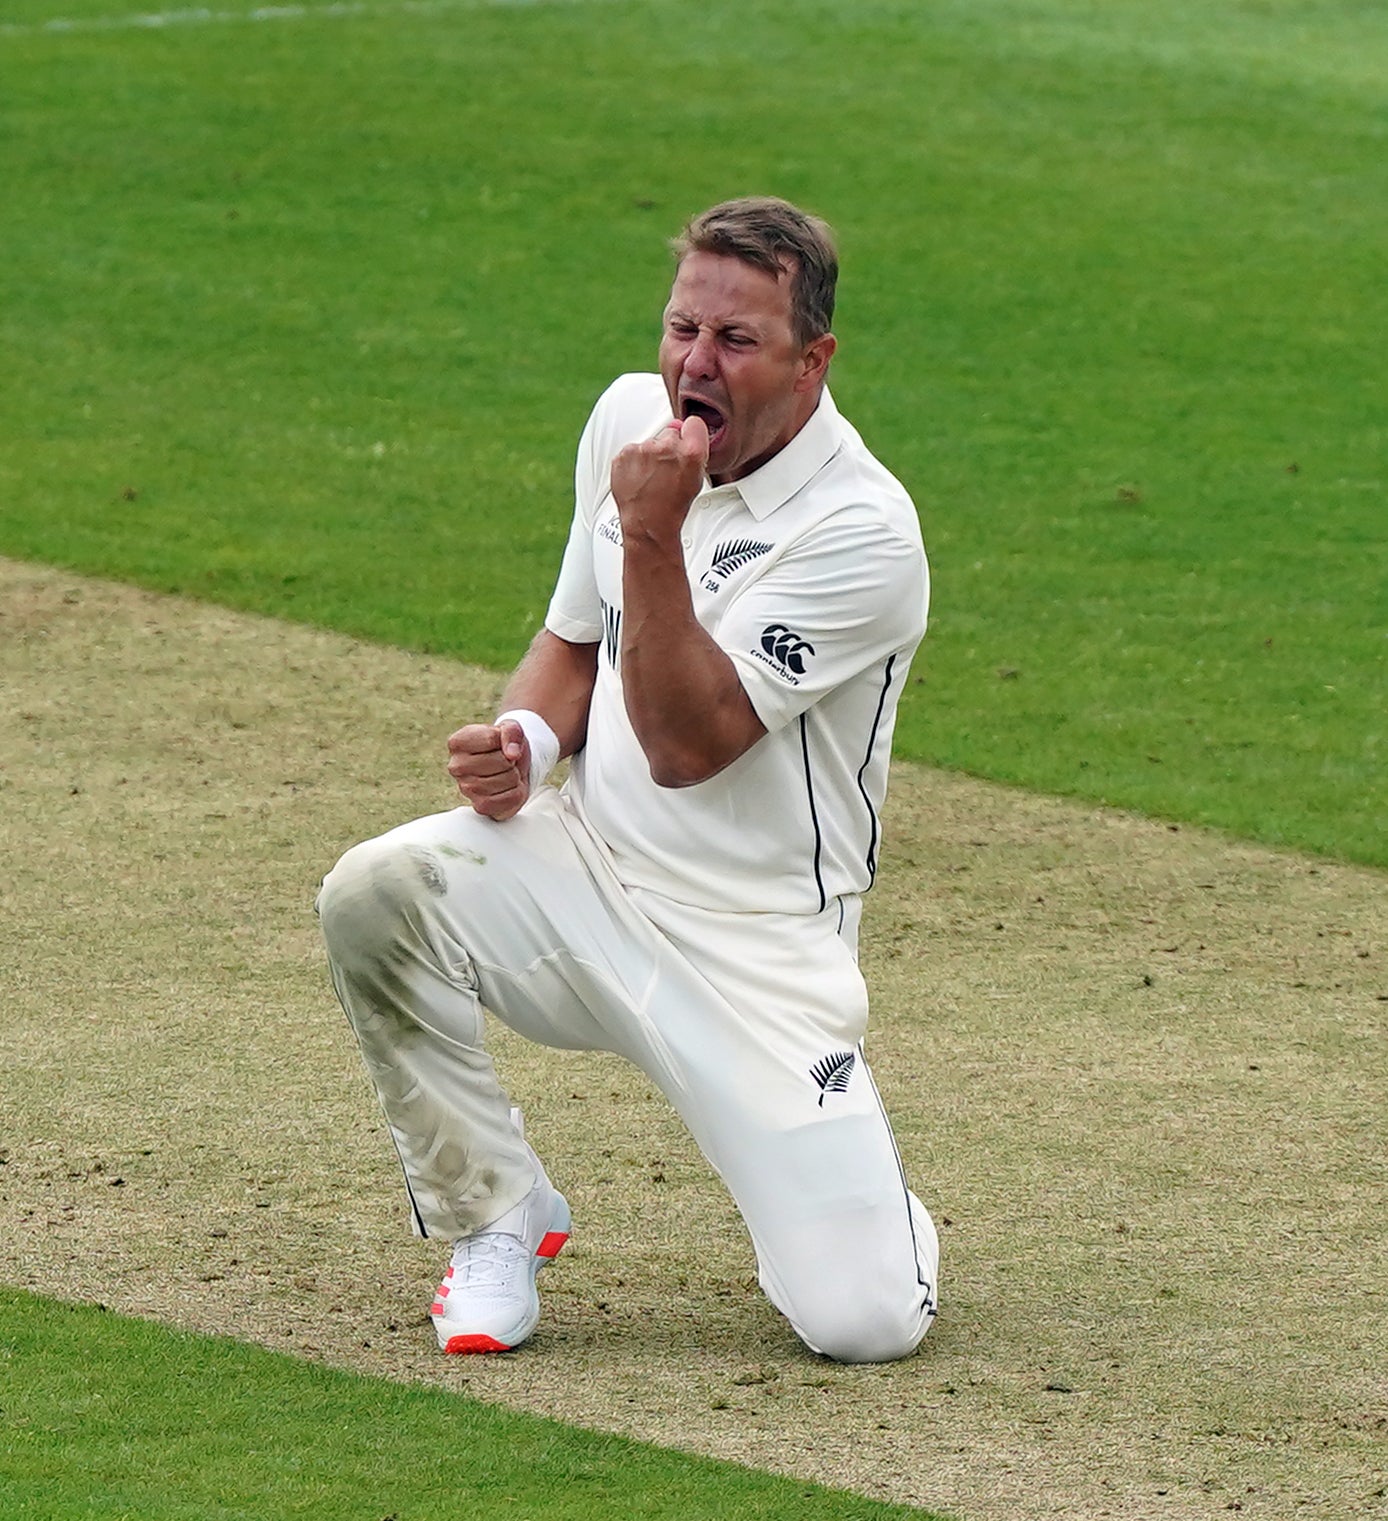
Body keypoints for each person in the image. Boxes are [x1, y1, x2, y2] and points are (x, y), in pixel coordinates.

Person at [317, 196, 938, 1364]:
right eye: (679, 329)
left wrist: (653, 533)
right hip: (583, 877)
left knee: (859, 1326)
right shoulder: (627, 418)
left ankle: (870, 1218)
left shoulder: (864, 534)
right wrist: (525, 745)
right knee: (375, 892)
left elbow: (686, 747)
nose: (691, 366)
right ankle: (493, 1217)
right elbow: (570, 642)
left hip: (752, 954)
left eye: (735, 342)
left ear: (813, 362)